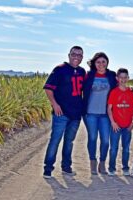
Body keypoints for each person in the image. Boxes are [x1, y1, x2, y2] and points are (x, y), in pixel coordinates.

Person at [42, 46, 86, 178]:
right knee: (55, 140)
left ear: (82, 58)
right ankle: (48, 168)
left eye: (79, 55)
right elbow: (48, 89)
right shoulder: (60, 69)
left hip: (76, 114)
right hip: (61, 113)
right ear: (69, 55)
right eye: (74, 54)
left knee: (69, 141)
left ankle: (66, 167)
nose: (76, 57)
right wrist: (54, 105)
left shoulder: (82, 72)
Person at [82, 52, 117, 175]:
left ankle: (102, 163)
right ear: (94, 63)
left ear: (107, 62)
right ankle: (93, 162)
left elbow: (118, 89)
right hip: (90, 113)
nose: (101, 64)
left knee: (105, 140)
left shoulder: (112, 75)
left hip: (105, 114)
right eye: (98, 62)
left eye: (103, 61)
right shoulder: (89, 75)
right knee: (92, 138)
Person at [107, 68, 133, 176]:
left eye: (125, 77)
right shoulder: (114, 92)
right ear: (117, 78)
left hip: (127, 126)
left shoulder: (131, 93)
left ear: (128, 78)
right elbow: (109, 108)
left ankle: (125, 168)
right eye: (121, 77)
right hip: (116, 125)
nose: (123, 80)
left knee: (126, 148)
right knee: (114, 148)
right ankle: (111, 168)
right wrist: (113, 122)